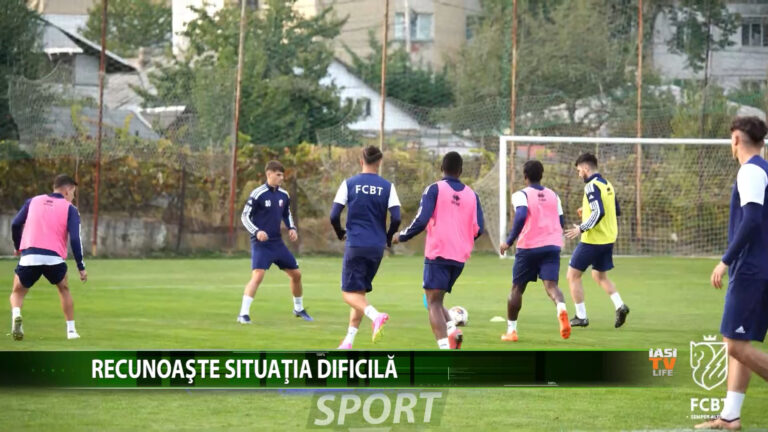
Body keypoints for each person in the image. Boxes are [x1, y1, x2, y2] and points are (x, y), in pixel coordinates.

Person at [696, 116, 768, 431]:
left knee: (734, 345)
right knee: (740, 339)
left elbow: (751, 220)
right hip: (759, 267)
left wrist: (725, 261)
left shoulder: (750, 171)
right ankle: (730, 416)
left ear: (736, 139)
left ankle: (730, 415)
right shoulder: (763, 170)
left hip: (751, 269)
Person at [394, 152, 484, 349]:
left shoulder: (434, 189)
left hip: (438, 253)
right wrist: (462, 240)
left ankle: (444, 349)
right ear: (460, 171)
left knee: (433, 303)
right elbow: (479, 229)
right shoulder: (472, 195)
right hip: (459, 258)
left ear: (442, 168)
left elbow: (421, 219)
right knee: (435, 299)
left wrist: (401, 236)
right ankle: (452, 330)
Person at [330, 146, 401, 348]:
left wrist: (340, 232)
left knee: (348, 294)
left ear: (361, 161)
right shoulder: (388, 187)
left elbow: (334, 215)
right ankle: (349, 340)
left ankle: (376, 316)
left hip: (356, 244)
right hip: (376, 248)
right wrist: (388, 238)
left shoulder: (349, 184)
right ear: (379, 163)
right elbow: (396, 218)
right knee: (359, 294)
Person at [499, 160, 570, 342]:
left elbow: (521, 215)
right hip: (552, 246)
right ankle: (561, 308)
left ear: (525, 176)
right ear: (541, 175)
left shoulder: (521, 195)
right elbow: (561, 221)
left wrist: (508, 241)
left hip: (529, 247)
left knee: (517, 289)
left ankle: (511, 331)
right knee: (552, 286)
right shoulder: (554, 195)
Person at [10, 174, 87, 341]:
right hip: (54, 259)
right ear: (67, 190)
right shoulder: (70, 209)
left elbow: (15, 224)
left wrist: (18, 247)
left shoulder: (32, 201)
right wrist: (81, 267)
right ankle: (71, 331)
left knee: (17, 292)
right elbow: (75, 239)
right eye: (73, 193)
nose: (73, 197)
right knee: (64, 289)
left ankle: (16, 315)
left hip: (30, 256)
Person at [237, 160, 312, 323]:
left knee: (296, 275)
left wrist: (291, 228)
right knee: (258, 276)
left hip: (277, 243)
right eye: (278, 175)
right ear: (269, 174)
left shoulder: (284, 195)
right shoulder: (258, 193)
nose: (281, 178)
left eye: (282, 175)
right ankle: (243, 314)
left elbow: (286, 213)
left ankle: (298, 309)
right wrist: (257, 231)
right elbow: (244, 216)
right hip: (261, 244)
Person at [564, 153, 629, 328]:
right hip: (608, 239)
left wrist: (581, 228)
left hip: (592, 240)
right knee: (599, 276)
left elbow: (598, 212)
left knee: (572, 275)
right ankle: (620, 306)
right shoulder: (607, 184)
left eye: (579, 171)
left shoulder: (591, 186)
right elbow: (615, 210)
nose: (579, 174)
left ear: (586, 168)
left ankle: (581, 316)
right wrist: (586, 209)